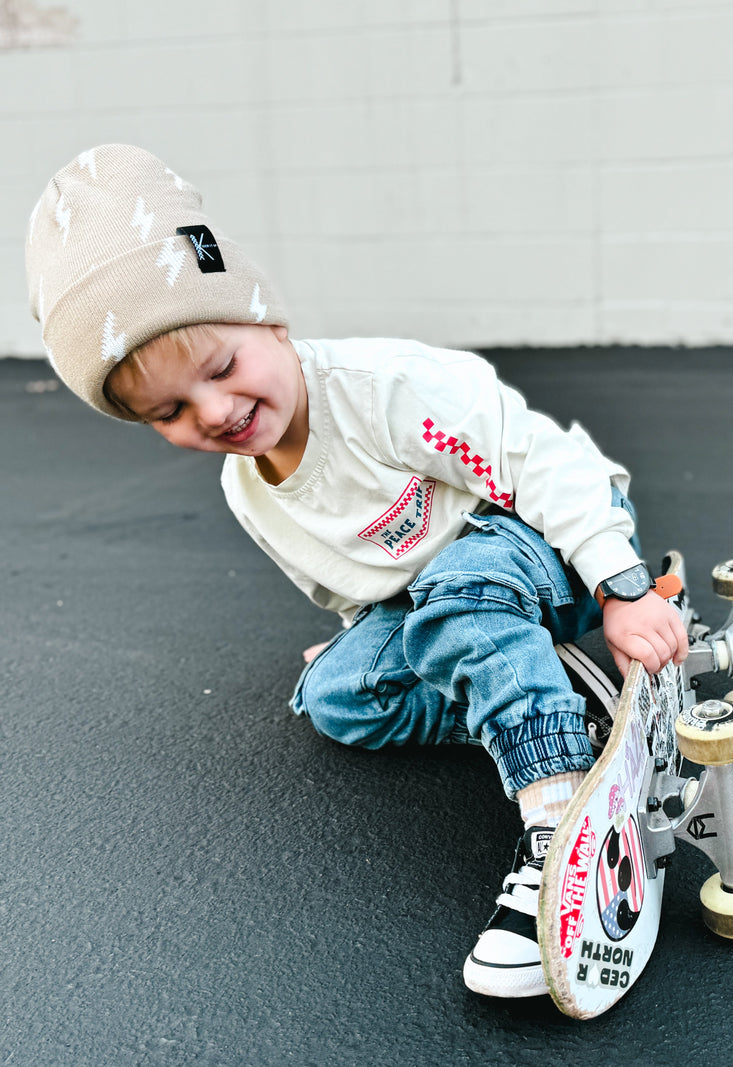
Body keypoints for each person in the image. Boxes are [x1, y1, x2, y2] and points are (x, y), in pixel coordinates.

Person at [26, 144, 688, 1000]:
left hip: (543, 535)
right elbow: (351, 587)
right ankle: (547, 701)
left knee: (459, 598)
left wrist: (621, 587)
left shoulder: (383, 388)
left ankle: (560, 816)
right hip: (443, 601)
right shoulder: (249, 490)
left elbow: (541, 459)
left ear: (269, 320)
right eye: (170, 412)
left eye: (222, 369)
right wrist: (355, 645)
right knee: (336, 695)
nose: (216, 412)